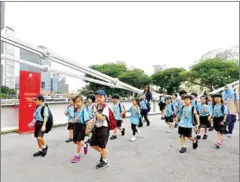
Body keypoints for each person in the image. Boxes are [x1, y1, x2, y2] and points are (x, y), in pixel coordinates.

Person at [90, 90, 110, 169]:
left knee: (102, 146)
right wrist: (89, 129)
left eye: (100, 97)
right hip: (96, 128)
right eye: (97, 97)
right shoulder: (95, 106)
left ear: (105, 98)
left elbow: (102, 118)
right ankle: (104, 152)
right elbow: (94, 119)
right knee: (92, 144)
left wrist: (95, 112)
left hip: (104, 129)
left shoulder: (106, 107)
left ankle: (105, 161)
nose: (98, 98)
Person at [71, 95, 90, 163]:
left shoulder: (84, 110)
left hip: (81, 127)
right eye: (76, 102)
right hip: (75, 126)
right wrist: (73, 121)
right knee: (75, 141)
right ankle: (85, 145)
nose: (77, 103)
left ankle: (77, 155)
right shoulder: (75, 110)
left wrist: (87, 129)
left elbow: (87, 120)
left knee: (79, 141)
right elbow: (73, 118)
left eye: (79, 101)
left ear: (82, 102)